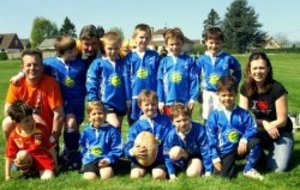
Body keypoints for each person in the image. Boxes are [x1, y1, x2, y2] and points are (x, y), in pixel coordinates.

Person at [10, 36, 86, 170]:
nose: (74, 53)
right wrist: (20, 75)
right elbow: (32, 65)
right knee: (62, 123)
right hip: (57, 101)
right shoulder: (51, 63)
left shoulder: (80, 64)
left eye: (74, 50)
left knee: (72, 125)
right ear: (61, 53)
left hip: (75, 103)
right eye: (70, 52)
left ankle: (70, 153)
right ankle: (23, 152)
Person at [239, 51, 294, 172]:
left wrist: (269, 125)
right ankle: (261, 154)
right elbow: (242, 117)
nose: (258, 71)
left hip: (280, 132)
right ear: (249, 70)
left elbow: (282, 121)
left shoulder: (277, 88)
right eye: (255, 68)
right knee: (245, 147)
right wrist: (263, 123)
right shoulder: (245, 88)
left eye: (262, 68)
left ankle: (277, 150)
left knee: (278, 168)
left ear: (268, 69)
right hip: (259, 130)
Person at [206, 76, 263, 180]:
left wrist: (244, 139)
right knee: (223, 176)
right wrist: (215, 157)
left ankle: (248, 169)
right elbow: (211, 138)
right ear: (217, 94)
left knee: (255, 142)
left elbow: (253, 127)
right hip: (226, 149)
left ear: (236, 94)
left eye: (230, 95)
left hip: (241, 147)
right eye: (224, 95)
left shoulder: (243, 113)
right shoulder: (214, 116)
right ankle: (229, 163)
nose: (227, 98)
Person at [2, 49, 64, 143]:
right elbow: (7, 110)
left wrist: (54, 138)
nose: (32, 68)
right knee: (7, 123)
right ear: (22, 68)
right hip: (23, 129)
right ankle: (15, 149)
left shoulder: (51, 83)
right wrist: (29, 116)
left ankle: (49, 148)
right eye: (28, 65)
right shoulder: (17, 83)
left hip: (44, 131)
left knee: (38, 121)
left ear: (42, 67)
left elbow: (59, 114)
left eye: (36, 65)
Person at [196, 27, 241, 122]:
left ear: (222, 43)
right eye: (211, 42)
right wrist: (198, 91)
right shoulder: (201, 59)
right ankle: (208, 135)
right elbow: (195, 76)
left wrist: (233, 84)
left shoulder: (227, 58)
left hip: (223, 93)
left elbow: (238, 70)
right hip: (207, 92)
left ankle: (223, 135)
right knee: (207, 117)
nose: (214, 45)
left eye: (217, 43)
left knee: (223, 116)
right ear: (205, 42)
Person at [124, 90, 172, 180]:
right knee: (135, 176)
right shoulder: (136, 126)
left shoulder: (165, 121)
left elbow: (171, 138)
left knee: (159, 176)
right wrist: (132, 151)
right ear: (140, 106)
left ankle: (159, 170)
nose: (150, 107)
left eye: (153, 104)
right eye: (146, 105)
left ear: (157, 104)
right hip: (140, 159)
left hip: (159, 159)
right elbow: (129, 143)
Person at [86, 31, 128, 130]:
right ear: (104, 47)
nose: (113, 51)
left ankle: (111, 145)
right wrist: (92, 99)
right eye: (110, 48)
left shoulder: (123, 63)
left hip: (120, 104)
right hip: (105, 103)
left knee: (115, 131)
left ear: (120, 47)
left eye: (116, 48)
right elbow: (91, 81)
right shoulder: (98, 63)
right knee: (115, 125)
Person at [5, 101, 56, 181]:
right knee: (22, 154)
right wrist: (7, 175)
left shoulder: (41, 129)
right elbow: (9, 156)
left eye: (31, 118)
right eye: (26, 121)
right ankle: (27, 171)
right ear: (17, 122)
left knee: (48, 178)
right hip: (27, 159)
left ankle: (39, 171)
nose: (31, 122)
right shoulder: (14, 135)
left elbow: (52, 149)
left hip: (42, 159)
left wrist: (55, 166)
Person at [163, 103, 212, 181]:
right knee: (174, 152)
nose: (182, 123)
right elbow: (166, 154)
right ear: (172, 122)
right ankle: (179, 169)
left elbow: (206, 151)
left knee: (193, 174)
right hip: (180, 159)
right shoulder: (171, 135)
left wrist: (208, 171)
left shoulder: (199, 130)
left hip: (195, 157)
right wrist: (172, 174)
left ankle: (196, 168)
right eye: (178, 121)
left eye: (185, 120)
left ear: (190, 118)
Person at [124, 23, 160, 125]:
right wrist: (128, 98)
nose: (144, 40)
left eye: (146, 37)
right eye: (141, 37)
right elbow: (126, 79)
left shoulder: (155, 56)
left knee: (152, 126)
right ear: (134, 38)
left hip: (151, 99)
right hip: (135, 98)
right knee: (136, 127)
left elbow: (159, 78)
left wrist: (159, 96)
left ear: (150, 39)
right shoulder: (129, 57)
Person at [157, 28, 199, 115]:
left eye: (177, 44)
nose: (175, 47)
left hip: (184, 101)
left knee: (183, 124)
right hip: (168, 101)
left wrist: (192, 99)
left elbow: (194, 80)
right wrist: (160, 100)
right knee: (169, 126)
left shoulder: (189, 60)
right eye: (171, 44)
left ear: (182, 43)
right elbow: (160, 81)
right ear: (166, 44)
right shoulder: (164, 61)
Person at [80, 101, 122, 180]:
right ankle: (91, 170)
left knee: (106, 175)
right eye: (94, 114)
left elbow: (117, 149)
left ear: (105, 115)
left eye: (100, 113)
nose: (97, 116)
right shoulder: (86, 131)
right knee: (89, 178)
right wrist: (85, 159)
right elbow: (83, 147)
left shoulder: (112, 130)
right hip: (91, 160)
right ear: (89, 117)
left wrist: (108, 160)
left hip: (106, 159)